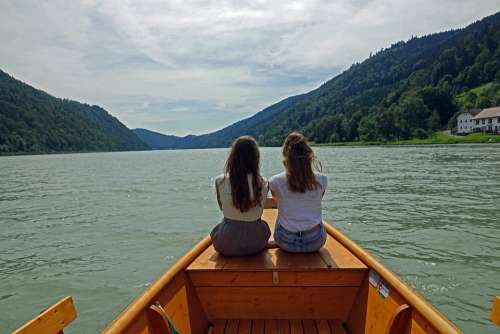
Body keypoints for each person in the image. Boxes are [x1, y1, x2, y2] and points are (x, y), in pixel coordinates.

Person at [210, 136, 271, 256]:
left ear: (233, 158)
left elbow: (222, 208)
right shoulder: (263, 182)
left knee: (220, 227)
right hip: (256, 243)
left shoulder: (220, 181)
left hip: (225, 244)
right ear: (256, 158)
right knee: (263, 225)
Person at [269, 132, 328, 253]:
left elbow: (276, 200)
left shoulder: (275, 181)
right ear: (309, 155)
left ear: (286, 156)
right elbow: (317, 200)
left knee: (281, 214)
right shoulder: (323, 179)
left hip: (285, 242)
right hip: (315, 242)